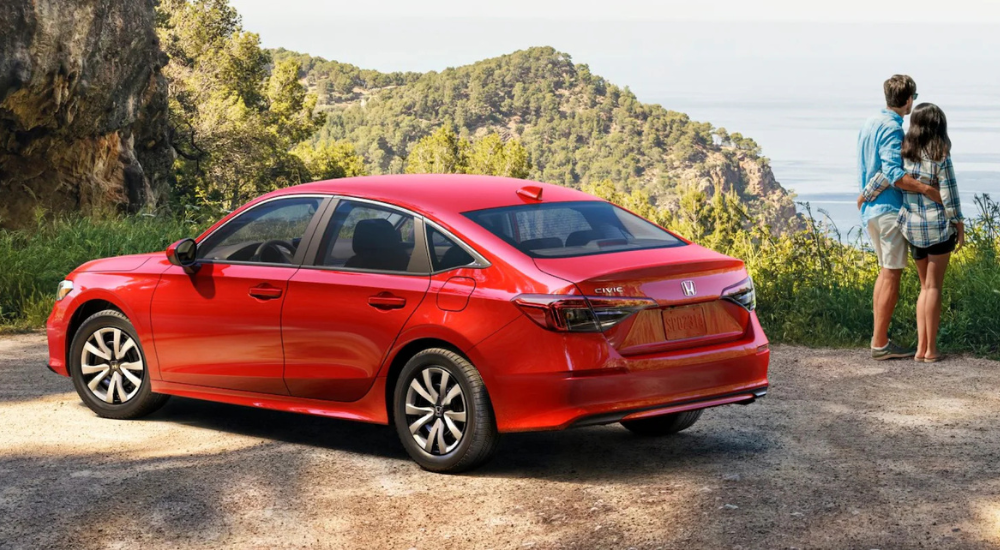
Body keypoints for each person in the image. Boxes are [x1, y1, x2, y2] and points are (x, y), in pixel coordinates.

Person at [860, 103, 964, 362]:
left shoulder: (905, 154)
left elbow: (887, 176)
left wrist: (865, 196)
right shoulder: (941, 155)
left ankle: (919, 350)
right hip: (938, 229)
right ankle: (930, 350)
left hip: (912, 230)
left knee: (923, 288)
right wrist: (959, 226)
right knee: (933, 288)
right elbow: (949, 195)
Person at [856, 75, 942, 361]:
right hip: (889, 210)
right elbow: (894, 174)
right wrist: (927, 189)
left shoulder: (870, 123)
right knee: (892, 274)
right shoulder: (893, 129)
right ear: (907, 100)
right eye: (913, 97)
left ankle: (878, 339)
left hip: (872, 210)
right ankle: (880, 343)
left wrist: (865, 194)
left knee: (884, 272)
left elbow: (878, 169)